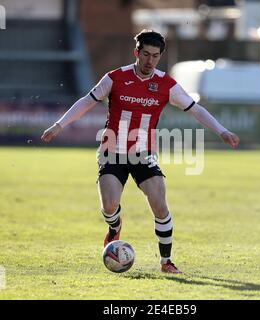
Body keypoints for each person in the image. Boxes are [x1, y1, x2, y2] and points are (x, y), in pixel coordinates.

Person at [41, 29, 240, 274]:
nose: (150, 61)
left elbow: (195, 109)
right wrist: (59, 125)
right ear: (137, 52)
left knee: (159, 203)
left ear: (160, 57)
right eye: (145, 54)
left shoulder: (166, 84)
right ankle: (115, 227)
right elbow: (86, 101)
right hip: (112, 152)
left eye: (155, 56)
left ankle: (166, 262)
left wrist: (221, 131)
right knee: (110, 205)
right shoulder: (115, 78)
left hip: (143, 154)